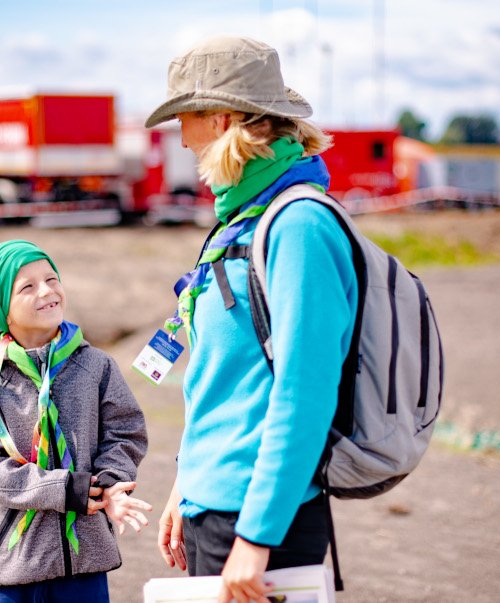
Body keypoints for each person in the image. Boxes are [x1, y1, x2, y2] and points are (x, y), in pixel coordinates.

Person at [146, 37, 360, 603]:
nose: (181, 135)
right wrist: (187, 486)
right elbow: (229, 383)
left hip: (261, 522)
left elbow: (304, 391)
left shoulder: (299, 227)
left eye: (184, 118)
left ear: (221, 120)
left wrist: (256, 536)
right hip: (218, 509)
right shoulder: (241, 221)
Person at [0, 239, 151, 603]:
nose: (47, 291)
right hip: (18, 562)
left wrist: (107, 485)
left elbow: (126, 431)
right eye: (27, 287)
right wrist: (61, 489)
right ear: (3, 310)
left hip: (85, 561)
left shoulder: (96, 366)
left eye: (51, 278)